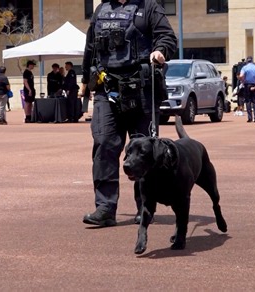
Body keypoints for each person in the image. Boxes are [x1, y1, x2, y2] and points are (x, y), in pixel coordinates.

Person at [81, 0, 177, 226]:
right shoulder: (102, 9)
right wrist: (85, 79)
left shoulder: (150, 7)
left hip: (141, 89)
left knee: (143, 149)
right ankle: (105, 208)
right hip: (107, 90)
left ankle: (144, 206)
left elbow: (168, 38)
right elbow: (91, 47)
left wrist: (160, 51)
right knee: (104, 144)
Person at [239, 56, 255, 123]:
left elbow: (241, 76)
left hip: (247, 85)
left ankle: (250, 118)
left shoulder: (244, 67)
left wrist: (243, 81)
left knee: (248, 101)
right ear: (252, 60)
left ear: (247, 61)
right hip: (254, 84)